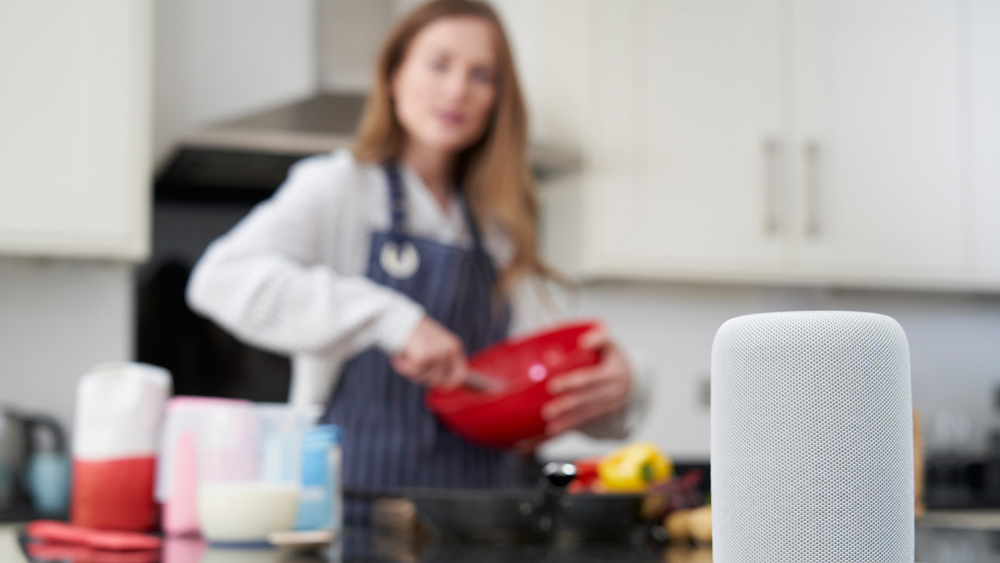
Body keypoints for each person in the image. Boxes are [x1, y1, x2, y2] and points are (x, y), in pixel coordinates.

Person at [187, 0, 639, 523]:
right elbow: (219, 278)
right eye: (439, 64)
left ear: (498, 99)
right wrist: (391, 320)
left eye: (481, 75)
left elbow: (536, 385)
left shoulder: (500, 224)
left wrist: (616, 387)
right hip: (358, 518)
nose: (456, 91)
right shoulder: (340, 189)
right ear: (395, 75)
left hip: (488, 524)